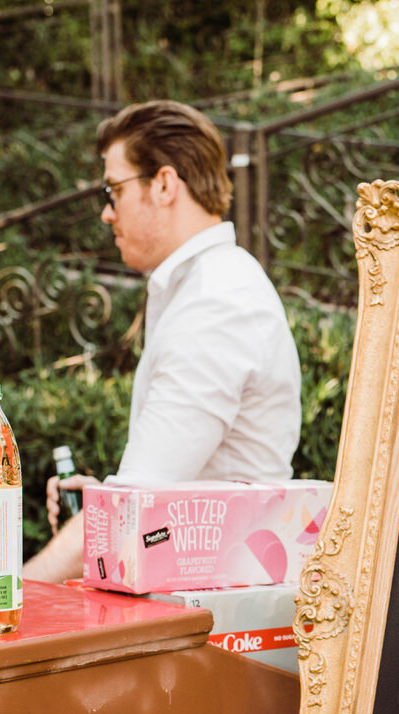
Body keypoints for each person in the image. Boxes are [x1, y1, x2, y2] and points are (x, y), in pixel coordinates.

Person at [24, 100, 301, 582]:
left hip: (217, 612)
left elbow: (137, 502)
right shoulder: (202, 285)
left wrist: (4, 595)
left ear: (165, 184)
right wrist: (101, 503)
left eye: (114, 191)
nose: (107, 213)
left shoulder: (217, 300)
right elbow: (166, 494)